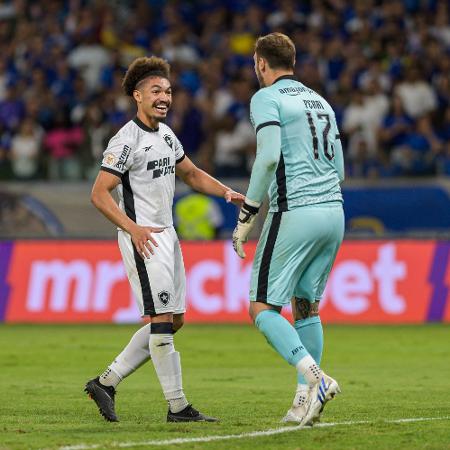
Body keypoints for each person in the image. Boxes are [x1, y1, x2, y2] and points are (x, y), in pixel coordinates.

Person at [85, 56, 244, 423]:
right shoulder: (126, 140)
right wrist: (133, 228)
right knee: (161, 318)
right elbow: (98, 193)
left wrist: (225, 192)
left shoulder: (167, 135)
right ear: (137, 95)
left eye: (168, 91)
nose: (164, 97)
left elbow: (190, 173)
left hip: (167, 235)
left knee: (174, 320)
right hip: (144, 238)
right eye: (156, 90)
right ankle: (178, 407)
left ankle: (106, 383)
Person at [232, 33, 345, 426]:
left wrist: (247, 215)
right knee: (305, 306)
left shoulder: (267, 98)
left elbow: (268, 159)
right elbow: (341, 168)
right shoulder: (322, 102)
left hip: (295, 211)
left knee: (261, 306)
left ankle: (318, 378)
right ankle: (303, 400)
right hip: (334, 212)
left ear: (261, 63)